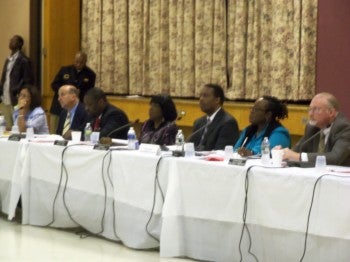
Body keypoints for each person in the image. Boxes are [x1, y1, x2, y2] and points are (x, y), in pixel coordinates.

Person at [281, 92, 350, 166]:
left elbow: (334, 158)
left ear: (331, 112)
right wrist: (283, 153)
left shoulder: (344, 128)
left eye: (316, 109)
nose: (310, 114)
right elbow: (296, 151)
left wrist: (298, 156)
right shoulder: (312, 128)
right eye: (310, 109)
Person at [49, 51, 96, 133]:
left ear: (85, 62)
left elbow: (89, 92)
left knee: (72, 132)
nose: (78, 64)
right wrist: (64, 92)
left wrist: (78, 93)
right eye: (76, 61)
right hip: (58, 106)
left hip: (76, 107)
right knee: (55, 132)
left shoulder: (90, 74)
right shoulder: (65, 70)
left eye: (81, 62)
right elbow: (54, 84)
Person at [189, 83, 239, 151]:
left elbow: (221, 151)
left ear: (217, 100)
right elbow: (190, 146)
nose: (201, 99)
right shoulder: (198, 122)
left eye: (205, 96)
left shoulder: (228, 123)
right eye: (200, 96)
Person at [0, 35, 34, 129]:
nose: (10, 42)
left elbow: (28, 81)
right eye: (10, 40)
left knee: (17, 127)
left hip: (16, 98)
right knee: (7, 127)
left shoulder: (24, 60)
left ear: (19, 44)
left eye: (13, 40)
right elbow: (4, 78)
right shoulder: (8, 59)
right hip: (5, 98)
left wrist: (19, 93)